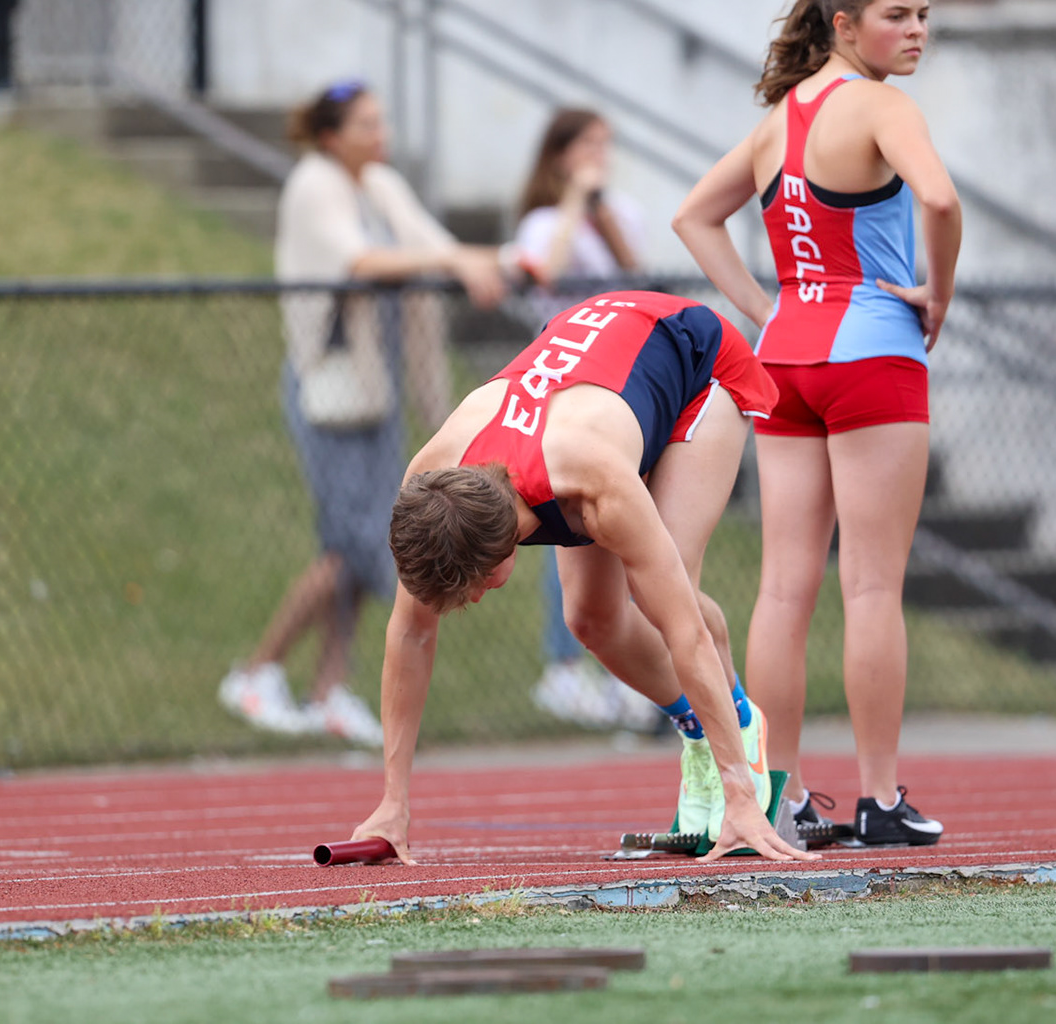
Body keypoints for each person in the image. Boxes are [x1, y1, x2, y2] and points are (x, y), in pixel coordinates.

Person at [348, 288, 819, 865]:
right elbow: (411, 633)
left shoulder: (595, 486)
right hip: (596, 374)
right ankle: (701, 725)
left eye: (470, 590)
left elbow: (683, 634)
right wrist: (394, 800)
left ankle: (739, 742)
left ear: (505, 551)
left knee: (669, 599)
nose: (469, 601)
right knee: (590, 618)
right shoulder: (431, 482)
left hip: (696, 364)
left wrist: (741, 798)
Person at [673, 0, 962, 848]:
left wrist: (766, 308)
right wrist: (939, 293)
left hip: (786, 359)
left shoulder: (778, 119)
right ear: (845, 24)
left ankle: (779, 796)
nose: (915, 32)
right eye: (897, 16)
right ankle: (879, 799)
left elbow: (694, 215)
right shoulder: (882, 107)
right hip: (872, 350)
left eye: (922, 15)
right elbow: (942, 201)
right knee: (872, 584)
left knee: (783, 591)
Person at [218, 80, 509, 747]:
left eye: (382, 122)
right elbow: (364, 259)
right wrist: (455, 260)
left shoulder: (376, 183)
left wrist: (488, 261)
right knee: (348, 546)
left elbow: (432, 242)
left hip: (374, 391)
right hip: (331, 387)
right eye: (367, 125)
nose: (381, 136)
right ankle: (257, 671)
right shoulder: (315, 185)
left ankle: (329, 688)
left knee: (363, 545)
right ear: (330, 136)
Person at [512, 110, 657, 730]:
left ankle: (623, 671)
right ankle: (564, 666)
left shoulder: (619, 210)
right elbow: (549, 267)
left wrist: (602, 210)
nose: (601, 154)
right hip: (563, 384)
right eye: (589, 144)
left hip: (617, 382)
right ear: (561, 154)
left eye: (607, 142)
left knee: (622, 521)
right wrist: (574, 200)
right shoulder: (543, 221)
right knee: (566, 526)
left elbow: (636, 273)